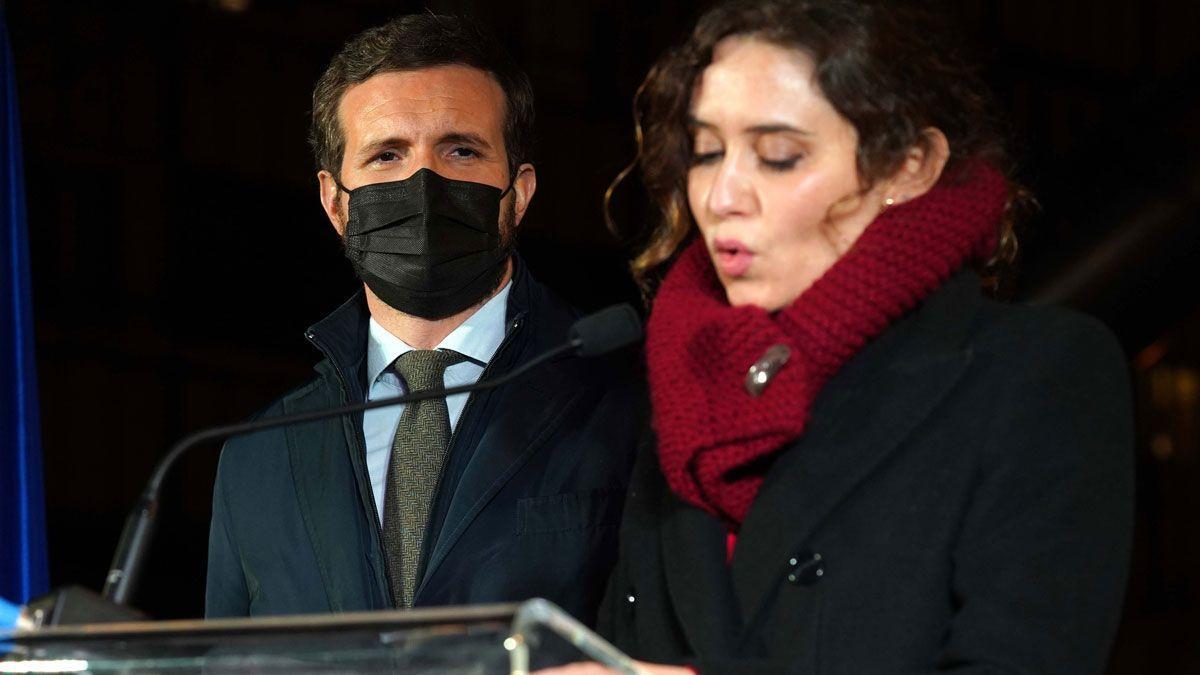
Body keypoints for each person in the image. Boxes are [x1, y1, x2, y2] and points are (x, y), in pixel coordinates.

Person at [551, 1, 1134, 673]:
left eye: (778, 156)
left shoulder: (1038, 373)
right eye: (706, 152)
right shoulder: (687, 389)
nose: (721, 195)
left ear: (908, 166)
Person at [205, 14, 639, 622]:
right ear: (335, 202)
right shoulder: (260, 454)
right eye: (386, 155)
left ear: (519, 191)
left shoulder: (629, 404)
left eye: (461, 150)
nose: (423, 183)